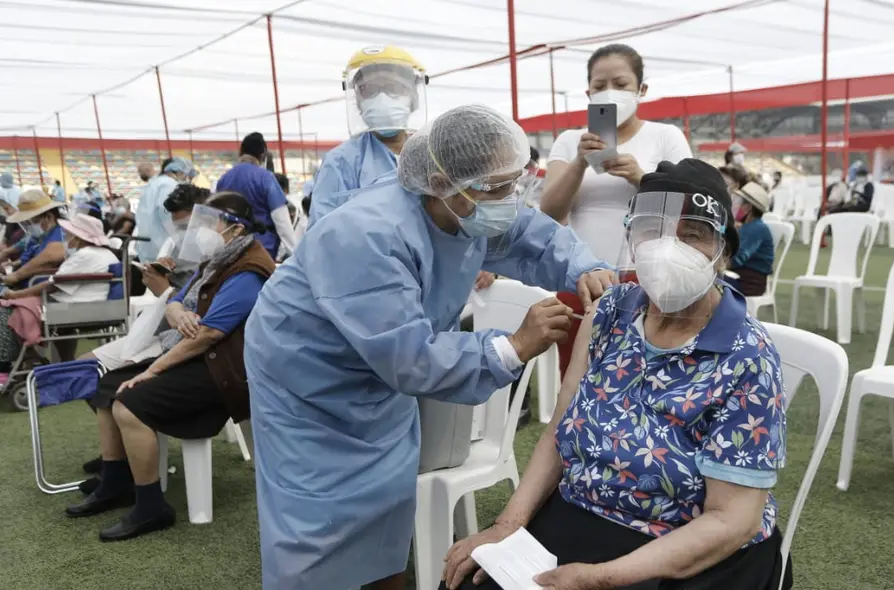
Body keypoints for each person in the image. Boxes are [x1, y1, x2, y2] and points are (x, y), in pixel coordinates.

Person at [245, 104, 615, 590]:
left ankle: (383, 576)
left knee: (387, 495)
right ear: (442, 181)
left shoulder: (461, 210)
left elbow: (526, 235)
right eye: (500, 187)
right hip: (308, 374)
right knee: (315, 515)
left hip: (379, 375)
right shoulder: (366, 234)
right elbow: (411, 359)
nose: (511, 198)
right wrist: (513, 346)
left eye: (515, 182)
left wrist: (582, 266)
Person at [442, 160, 790, 590]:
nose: (667, 250)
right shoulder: (610, 312)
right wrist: (507, 524)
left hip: (686, 542)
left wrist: (599, 579)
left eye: (692, 234)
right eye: (652, 231)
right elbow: (559, 428)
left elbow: (731, 520)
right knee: (471, 581)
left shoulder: (747, 355)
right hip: (586, 510)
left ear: (724, 254)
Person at [66, 192, 275, 541]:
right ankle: (118, 481)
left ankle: (151, 507)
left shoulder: (248, 268)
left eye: (212, 222)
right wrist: (177, 311)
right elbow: (176, 300)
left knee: (129, 402)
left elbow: (208, 334)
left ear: (236, 229)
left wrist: (154, 369)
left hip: (221, 372)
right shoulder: (221, 257)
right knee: (107, 386)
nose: (202, 229)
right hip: (200, 357)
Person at [541, 43, 692, 378]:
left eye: (621, 84)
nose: (609, 92)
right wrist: (580, 162)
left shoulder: (665, 137)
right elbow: (550, 211)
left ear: (641, 90)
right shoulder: (569, 141)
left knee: (645, 375)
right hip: (581, 276)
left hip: (649, 275)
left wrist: (643, 178)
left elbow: (687, 206)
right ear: (588, 93)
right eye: (599, 86)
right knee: (576, 373)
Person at [309, 45, 428, 227]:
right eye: (369, 90)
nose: (381, 98)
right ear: (358, 100)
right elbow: (322, 234)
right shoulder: (341, 162)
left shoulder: (430, 154)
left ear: (413, 96)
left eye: (393, 88)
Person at [0, 214, 119, 370]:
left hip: (77, 306)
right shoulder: (102, 253)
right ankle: (40, 359)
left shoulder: (86, 254)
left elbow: (52, 285)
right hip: (85, 302)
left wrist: (17, 295)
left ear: (79, 238)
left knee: (6, 311)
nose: (67, 239)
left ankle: (9, 365)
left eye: (69, 235)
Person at [215, 132, 297, 260]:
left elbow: (217, 216)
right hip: (262, 248)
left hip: (230, 247)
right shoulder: (266, 178)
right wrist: (296, 254)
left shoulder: (224, 178)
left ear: (240, 152)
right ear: (263, 155)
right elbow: (282, 221)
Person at [0, 189, 66, 289]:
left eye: (33, 222)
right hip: (28, 286)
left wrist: (16, 276)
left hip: (40, 292)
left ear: (48, 217)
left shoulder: (62, 232)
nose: (30, 227)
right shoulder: (42, 236)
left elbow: (49, 257)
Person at [134, 158, 190, 262]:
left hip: (149, 246)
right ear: (178, 172)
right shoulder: (169, 185)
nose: (185, 178)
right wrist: (178, 240)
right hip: (161, 246)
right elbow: (167, 213)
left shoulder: (154, 184)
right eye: (185, 175)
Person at [729, 182, 774, 297]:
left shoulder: (756, 228)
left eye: (739, 203)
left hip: (749, 282)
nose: (735, 205)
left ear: (748, 207)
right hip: (743, 277)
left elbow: (737, 259)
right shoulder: (749, 226)